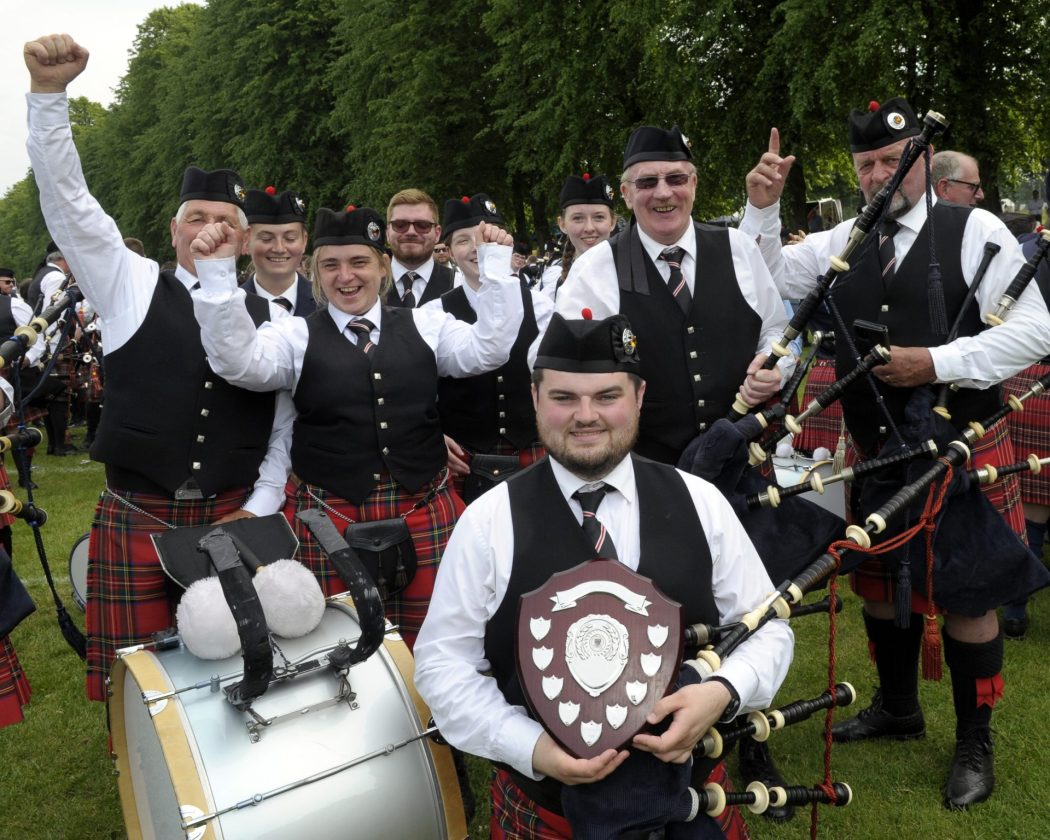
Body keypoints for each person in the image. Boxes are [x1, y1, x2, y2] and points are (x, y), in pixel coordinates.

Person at [740, 97, 1050, 808]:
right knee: (879, 583)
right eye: (868, 164)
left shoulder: (974, 229)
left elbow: (1036, 330)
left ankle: (976, 736)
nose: (883, 174)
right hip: (875, 450)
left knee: (969, 593)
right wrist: (761, 211)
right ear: (855, 171)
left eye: (894, 159)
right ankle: (898, 707)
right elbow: (767, 284)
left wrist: (936, 362)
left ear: (920, 159)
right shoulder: (841, 240)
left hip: (960, 444)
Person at [415, 312, 793, 839]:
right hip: (548, 809)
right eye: (564, 397)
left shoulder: (699, 501)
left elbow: (767, 626)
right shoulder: (487, 521)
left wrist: (723, 691)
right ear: (535, 398)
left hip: (691, 799)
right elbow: (442, 664)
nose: (585, 416)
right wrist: (532, 748)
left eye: (607, 396)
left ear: (639, 398)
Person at [25, 32, 293, 701]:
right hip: (139, 514)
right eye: (195, 217)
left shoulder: (278, 320)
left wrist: (259, 510)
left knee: (242, 676)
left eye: (224, 220)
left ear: (242, 239)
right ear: (173, 230)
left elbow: (285, 429)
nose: (208, 228)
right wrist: (50, 99)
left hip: (235, 515)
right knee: (139, 690)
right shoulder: (132, 284)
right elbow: (70, 205)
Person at [190, 206, 524, 648]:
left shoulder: (427, 323)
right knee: (339, 646)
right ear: (313, 270)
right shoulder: (293, 334)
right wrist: (216, 273)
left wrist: (496, 266)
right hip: (331, 517)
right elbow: (238, 363)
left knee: (443, 638)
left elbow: (490, 349)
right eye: (331, 264)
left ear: (383, 266)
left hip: (424, 508)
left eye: (359, 262)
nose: (345, 276)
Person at [557, 125, 793, 467]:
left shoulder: (738, 248)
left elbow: (776, 332)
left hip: (745, 463)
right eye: (647, 182)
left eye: (677, 179)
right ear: (625, 193)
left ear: (694, 185)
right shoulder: (595, 268)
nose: (663, 193)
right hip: (646, 473)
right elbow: (563, 369)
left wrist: (776, 369)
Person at [427, 194, 554, 501]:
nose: (476, 249)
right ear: (449, 251)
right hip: (462, 459)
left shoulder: (540, 305)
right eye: (462, 241)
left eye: (486, 238)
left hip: (532, 446)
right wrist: (429, 437)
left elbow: (555, 379)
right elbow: (417, 388)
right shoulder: (433, 311)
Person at [239, 187, 317, 316]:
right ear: (247, 240)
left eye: (290, 238)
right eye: (267, 239)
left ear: (304, 241)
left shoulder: (329, 304)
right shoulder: (232, 307)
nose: (279, 249)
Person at [538, 173, 618, 299]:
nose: (589, 228)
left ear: (613, 222)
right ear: (562, 224)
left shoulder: (636, 274)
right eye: (578, 218)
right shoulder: (552, 287)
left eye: (599, 217)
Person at [383, 188, 455, 308]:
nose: (411, 232)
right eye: (400, 225)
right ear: (387, 233)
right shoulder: (368, 286)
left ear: (437, 234)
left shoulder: (459, 284)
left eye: (422, 225)